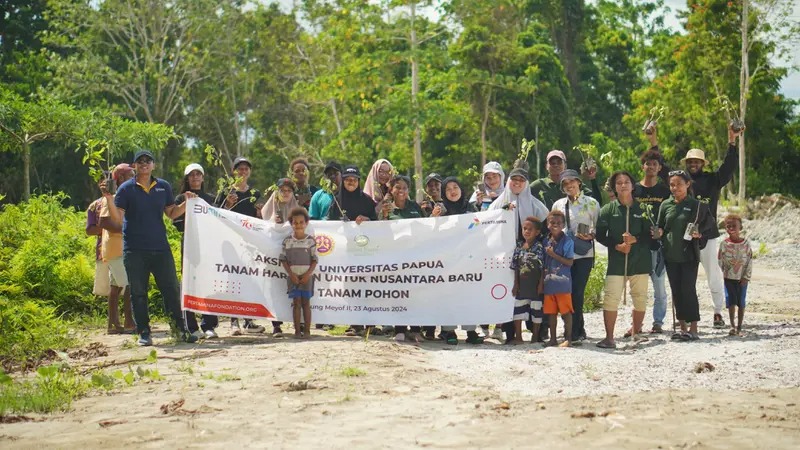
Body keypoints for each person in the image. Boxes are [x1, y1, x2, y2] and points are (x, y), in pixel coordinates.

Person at [101, 149, 198, 346]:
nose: (144, 163)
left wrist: (186, 204)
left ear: (154, 165)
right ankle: (144, 333)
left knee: (171, 289)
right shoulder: (126, 189)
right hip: (134, 249)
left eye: (148, 160)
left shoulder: (163, 186)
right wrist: (109, 199)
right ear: (134, 166)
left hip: (161, 248)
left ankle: (180, 330)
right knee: (138, 292)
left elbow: (171, 213)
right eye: (140, 161)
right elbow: (118, 218)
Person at [679, 124, 742, 328]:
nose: (693, 164)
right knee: (687, 278)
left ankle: (717, 312)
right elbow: (660, 169)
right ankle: (687, 316)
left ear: (702, 163)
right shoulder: (680, 183)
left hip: (708, 234)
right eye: (690, 161)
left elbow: (728, 167)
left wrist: (732, 142)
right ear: (687, 164)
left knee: (713, 274)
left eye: (697, 161)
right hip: (685, 237)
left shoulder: (713, 180)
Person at [487, 163, 547, 340]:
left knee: (532, 291)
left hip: (530, 255)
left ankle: (536, 332)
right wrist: (504, 212)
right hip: (506, 254)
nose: (518, 183)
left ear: (526, 183)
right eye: (514, 179)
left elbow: (547, 221)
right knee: (510, 292)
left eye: (522, 180)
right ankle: (510, 333)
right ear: (509, 181)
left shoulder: (534, 203)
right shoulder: (499, 202)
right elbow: (488, 222)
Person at [655, 170, 715, 341]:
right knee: (676, 291)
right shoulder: (665, 205)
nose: (675, 188)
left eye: (679, 184)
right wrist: (658, 232)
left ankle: (694, 328)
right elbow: (661, 227)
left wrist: (699, 234)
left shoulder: (697, 205)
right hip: (670, 255)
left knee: (688, 290)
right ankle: (682, 328)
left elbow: (709, 224)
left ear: (688, 184)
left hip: (689, 255)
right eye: (672, 185)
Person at [595, 171, 652, 349]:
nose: (623, 185)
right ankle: (609, 338)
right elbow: (600, 235)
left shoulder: (643, 209)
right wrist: (616, 246)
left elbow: (651, 235)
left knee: (640, 298)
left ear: (633, 186)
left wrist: (636, 239)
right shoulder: (607, 210)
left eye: (626, 182)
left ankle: (636, 333)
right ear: (614, 188)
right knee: (611, 298)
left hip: (640, 260)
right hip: (617, 262)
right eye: (618, 183)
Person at [215, 156, 265, 335]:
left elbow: (260, 220)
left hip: (248, 244)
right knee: (232, 281)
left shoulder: (255, 194)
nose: (243, 172)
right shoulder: (226, 192)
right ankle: (233, 321)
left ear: (250, 171)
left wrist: (260, 213)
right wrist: (228, 204)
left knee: (248, 280)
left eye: (246, 169)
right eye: (239, 169)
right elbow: (217, 215)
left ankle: (248, 321)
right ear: (233, 171)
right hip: (229, 243)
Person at [326, 165, 378, 337]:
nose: (351, 182)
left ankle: (370, 324)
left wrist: (367, 219)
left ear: (359, 181)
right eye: (347, 179)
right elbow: (328, 223)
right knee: (351, 288)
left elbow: (378, 224)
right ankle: (355, 324)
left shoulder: (367, 200)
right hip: (346, 253)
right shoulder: (337, 201)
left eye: (354, 179)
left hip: (366, 251)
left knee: (368, 287)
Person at [551, 169, 600, 343]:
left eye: (572, 181)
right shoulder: (558, 204)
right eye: (565, 183)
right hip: (564, 254)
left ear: (579, 182)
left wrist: (591, 234)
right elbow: (553, 226)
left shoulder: (592, 203)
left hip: (584, 254)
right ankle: (574, 329)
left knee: (577, 292)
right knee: (566, 292)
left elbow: (598, 226)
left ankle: (576, 331)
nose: (569, 185)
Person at [172, 163, 219, 339]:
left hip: (208, 246)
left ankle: (209, 324)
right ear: (187, 178)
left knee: (208, 283)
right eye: (191, 175)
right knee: (189, 284)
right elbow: (177, 224)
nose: (195, 177)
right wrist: (187, 203)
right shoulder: (179, 199)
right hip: (190, 247)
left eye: (198, 174)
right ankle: (191, 326)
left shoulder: (211, 198)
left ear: (203, 177)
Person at [380, 175, 427, 342]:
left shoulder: (415, 207)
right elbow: (379, 232)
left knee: (414, 294)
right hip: (395, 259)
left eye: (405, 188)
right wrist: (384, 216)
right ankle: (399, 328)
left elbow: (425, 229)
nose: (401, 191)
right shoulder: (385, 209)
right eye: (397, 187)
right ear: (391, 190)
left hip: (415, 258)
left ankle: (415, 329)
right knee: (398, 294)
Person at [437, 177, 484, 345]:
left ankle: (470, 331)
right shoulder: (440, 210)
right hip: (447, 261)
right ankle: (448, 331)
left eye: (455, 187)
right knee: (448, 295)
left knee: (468, 295)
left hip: (467, 259)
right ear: (443, 193)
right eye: (448, 189)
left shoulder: (470, 208)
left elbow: (479, 228)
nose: (452, 191)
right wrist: (432, 218)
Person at [634, 145, 672, 334]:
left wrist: (663, 232)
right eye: (647, 164)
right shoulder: (635, 189)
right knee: (638, 288)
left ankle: (658, 322)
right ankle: (637, 323)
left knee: (659, 287)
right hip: (638, 247)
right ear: (642, 167)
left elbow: (670, 215)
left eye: (654, 164)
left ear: (659, 168)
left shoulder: (665, 191)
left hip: (657, 246)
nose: (650, 167)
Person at [97, 164, 136, 334]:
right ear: (120, 178)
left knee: (116, 286)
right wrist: (125, 230)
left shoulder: (125, 196)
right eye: (130, 175)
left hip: (121, 248)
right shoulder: (111, 198)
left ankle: (112, 324)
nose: (134, 178)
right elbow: (104, 222)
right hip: (116, 248)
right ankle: (129, 321)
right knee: (128, 284)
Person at [280, 207, 318, 339]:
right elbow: (283, 260)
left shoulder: (311, 241)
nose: (298, 225)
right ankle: (297, 331)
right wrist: (291, 275)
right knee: (296, 303)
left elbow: (314, 260)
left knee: (306, 303)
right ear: (291, 224)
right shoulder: (287, 241)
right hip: (293, 278)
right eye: (295, 222)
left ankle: (307, 331)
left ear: (306, 223)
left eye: (301, 222)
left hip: (308, 277)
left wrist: (307, 274)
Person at [509, 217, 545, 345]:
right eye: (525, 228)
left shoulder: (540, 247)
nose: (527, 231)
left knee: (536, 311)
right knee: (518, 310)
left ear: (537, 232)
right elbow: (516, 267)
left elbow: (543, 268)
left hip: (535, 285)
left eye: (530, 229)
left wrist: (541, 284)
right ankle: (518, 336)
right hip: (521, 285)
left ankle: (535, 336)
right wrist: (516, 284)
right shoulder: (519, 246)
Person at [542, 210, 574, 347]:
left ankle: (568, 338)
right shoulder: (545, 240)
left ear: (563, 225)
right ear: (547, 224)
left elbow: (569, 262)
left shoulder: (568, 241)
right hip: (549, 282)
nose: (555, 225)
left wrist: (553, 254)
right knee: (551, 312)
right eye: (552, 222)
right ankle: (553, 339)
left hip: (563, 281)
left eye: (558, 223)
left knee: (566, 312)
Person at [530, 150, 601, 210]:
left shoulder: (573, 185)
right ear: (546, 166)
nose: (556, 165)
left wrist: (592, 178)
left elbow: (596, 202)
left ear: (565, 165)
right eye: (552, 163)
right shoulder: (538, 185)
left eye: (559, 162)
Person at [718, 214, 752, 336]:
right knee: (730, 301)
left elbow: (749, 261)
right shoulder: (724, 244)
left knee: (741, 302)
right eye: (728, 226)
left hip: (742, 279)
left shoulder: (746, 244)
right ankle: (732, 326)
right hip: (729, 278)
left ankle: (739, 327)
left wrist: (746, 277)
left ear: (740, 227)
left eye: (734, 226)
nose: (731, 228)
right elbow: (720, 260)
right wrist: (726, 272)